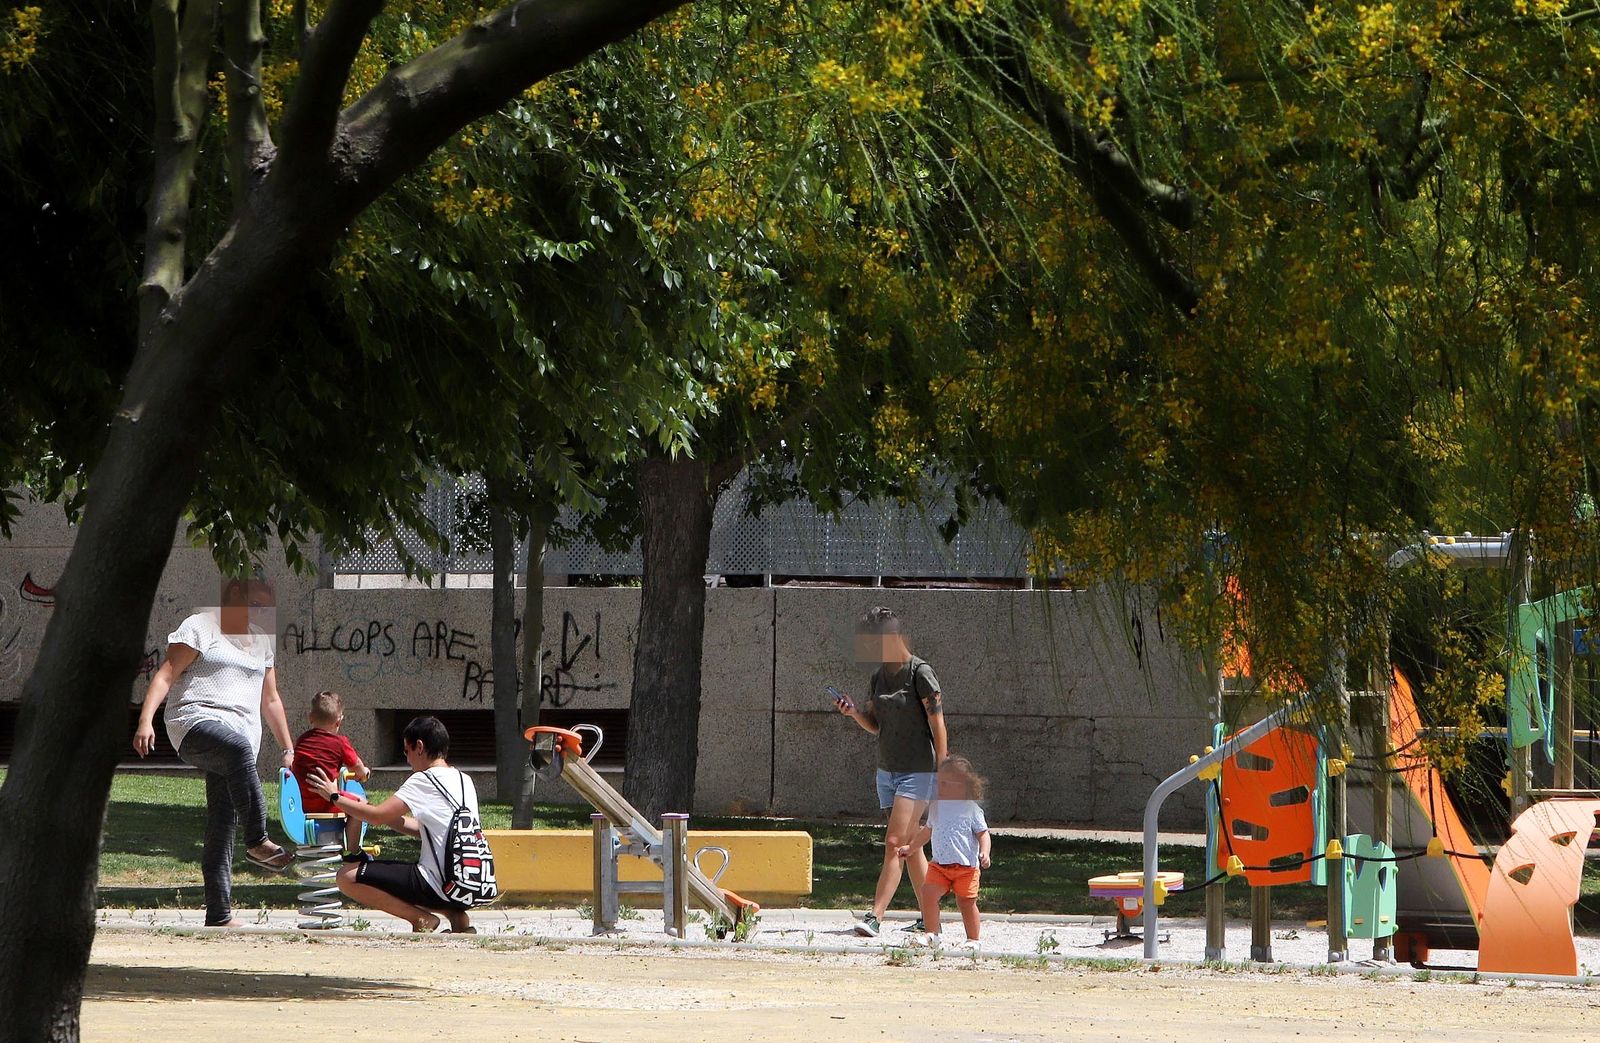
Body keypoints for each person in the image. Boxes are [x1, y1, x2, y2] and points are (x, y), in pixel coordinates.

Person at [133, 577, 296, 927]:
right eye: (256, 604)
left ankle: (219, 914)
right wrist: (145, 720)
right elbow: (166, 674)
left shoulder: (261, 643)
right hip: (194, 723)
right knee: (236, 747)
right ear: (235, 595)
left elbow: (271, 699)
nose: (261, 613)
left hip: (239, 745)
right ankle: (258, 840)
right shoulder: (202, 627)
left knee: (222, 824)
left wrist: (288, 747)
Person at [833, 605, 949, 937]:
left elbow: (938, 724)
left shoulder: (920, 673)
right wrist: (853, 713)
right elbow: (876, 725)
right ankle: (931, 919)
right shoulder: (878, 676)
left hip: (918, 772)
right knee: (911, 850)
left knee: (895, 842)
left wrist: (943, 771)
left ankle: (875, 916)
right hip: (887, 773)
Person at [309, 715, 480, 934]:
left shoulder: (424, 779)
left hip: (438, 883)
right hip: (468, 883)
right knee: (419, 876)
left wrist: (334, 796)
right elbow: (426, 831)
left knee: (346, 877)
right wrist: (372, 811)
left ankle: (421, 919)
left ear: (419, 747)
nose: (407, 760)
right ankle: (457, 916)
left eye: (406, 752)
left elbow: (376, 817)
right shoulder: (463, 780)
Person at [897, 755, 992, 950]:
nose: (941, 787)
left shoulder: (971, 809)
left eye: (948, 783)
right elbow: (927, 831)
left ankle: (973, 940)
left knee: (966, 902)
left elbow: (983, 834)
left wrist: (985, 852)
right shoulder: (936, 807)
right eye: (940, 782)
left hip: (966, 868)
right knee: (928, 894)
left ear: (964, 785)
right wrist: (911, 847)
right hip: (939, 866)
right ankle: (932, 934)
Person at [291, 690, 372, 860]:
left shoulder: (301, 740)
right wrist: (363, 773)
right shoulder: (340, 743)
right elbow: (357, 765)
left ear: (310, 716)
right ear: (338, 721)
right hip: (327, 801)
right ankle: (354, 850)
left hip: (301, 803)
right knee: (360, 806)